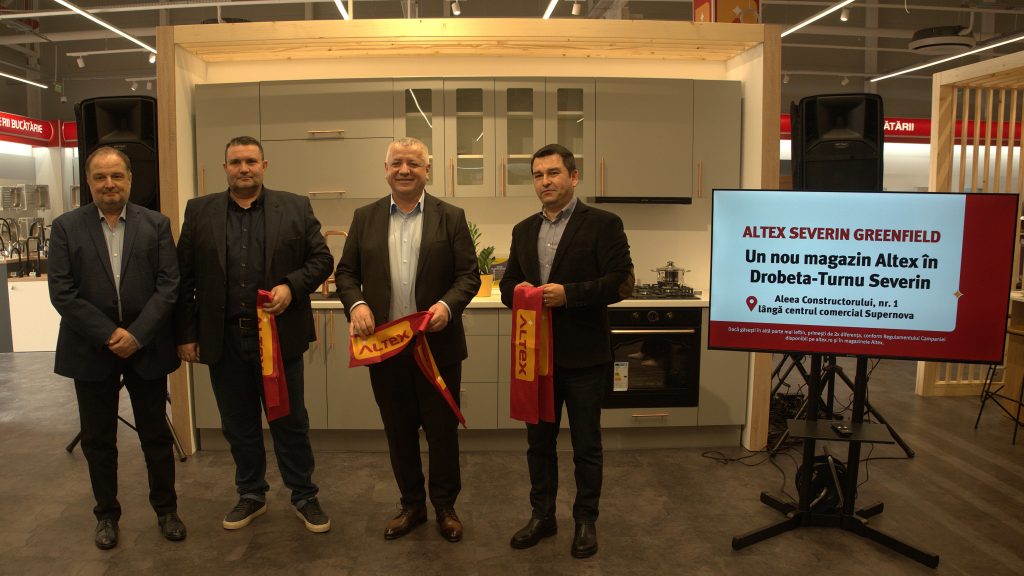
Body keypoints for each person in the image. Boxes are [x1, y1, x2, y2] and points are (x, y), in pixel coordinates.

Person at [175, 136, 334, 533]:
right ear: (224, 168)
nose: (243, 168)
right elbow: (184, 278)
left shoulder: (295, 207)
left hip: (278, 340)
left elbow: (322, 260)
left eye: (250, 161)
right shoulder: (199, 211)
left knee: (290, 422)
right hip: (224, 340)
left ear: (264, 165)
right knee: (238, 424)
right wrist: (187, 334)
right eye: (235, 162)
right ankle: (251, 494)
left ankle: (304, 495)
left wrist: (291, 286)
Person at [335, 137, 480, 543]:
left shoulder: (451, 217)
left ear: (427, 171)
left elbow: (468, 275)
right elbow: (346, 273)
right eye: (396, 162)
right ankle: (411, 505)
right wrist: (357, 304)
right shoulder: (364, 217)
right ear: (385, 169)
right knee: (398, 432)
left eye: (413, 163)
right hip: (386, 347)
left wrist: (447, 307)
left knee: (441, 432)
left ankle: (445, 507)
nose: (404, 170)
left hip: (437, 347)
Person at [500, 143, 634, 559]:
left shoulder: (604, 224)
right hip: (534, 361)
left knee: (586, 446)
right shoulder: (523, 230)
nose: (545, 181)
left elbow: (622, 281)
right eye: (538, 175)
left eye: (553, 173)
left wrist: (569, 295)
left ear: (574, 177)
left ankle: (585, 521)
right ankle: (542, 516)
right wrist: (520, 292)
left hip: (584, 359)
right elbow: (507, 287)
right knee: (538, 444)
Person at [48, 146, 186, 550]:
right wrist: (110, 334)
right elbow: (62, 291)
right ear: (88, 182)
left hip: (147, 349)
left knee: (155, 436)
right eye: (100, 177)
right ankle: (106, 515)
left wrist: (137, 335)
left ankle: (167, 510)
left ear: (130, 179)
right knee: (98, 440)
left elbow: (169, 285)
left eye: (116, 176)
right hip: (90, 350)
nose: (109, 184)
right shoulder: (66, 227)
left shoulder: (156, 224)